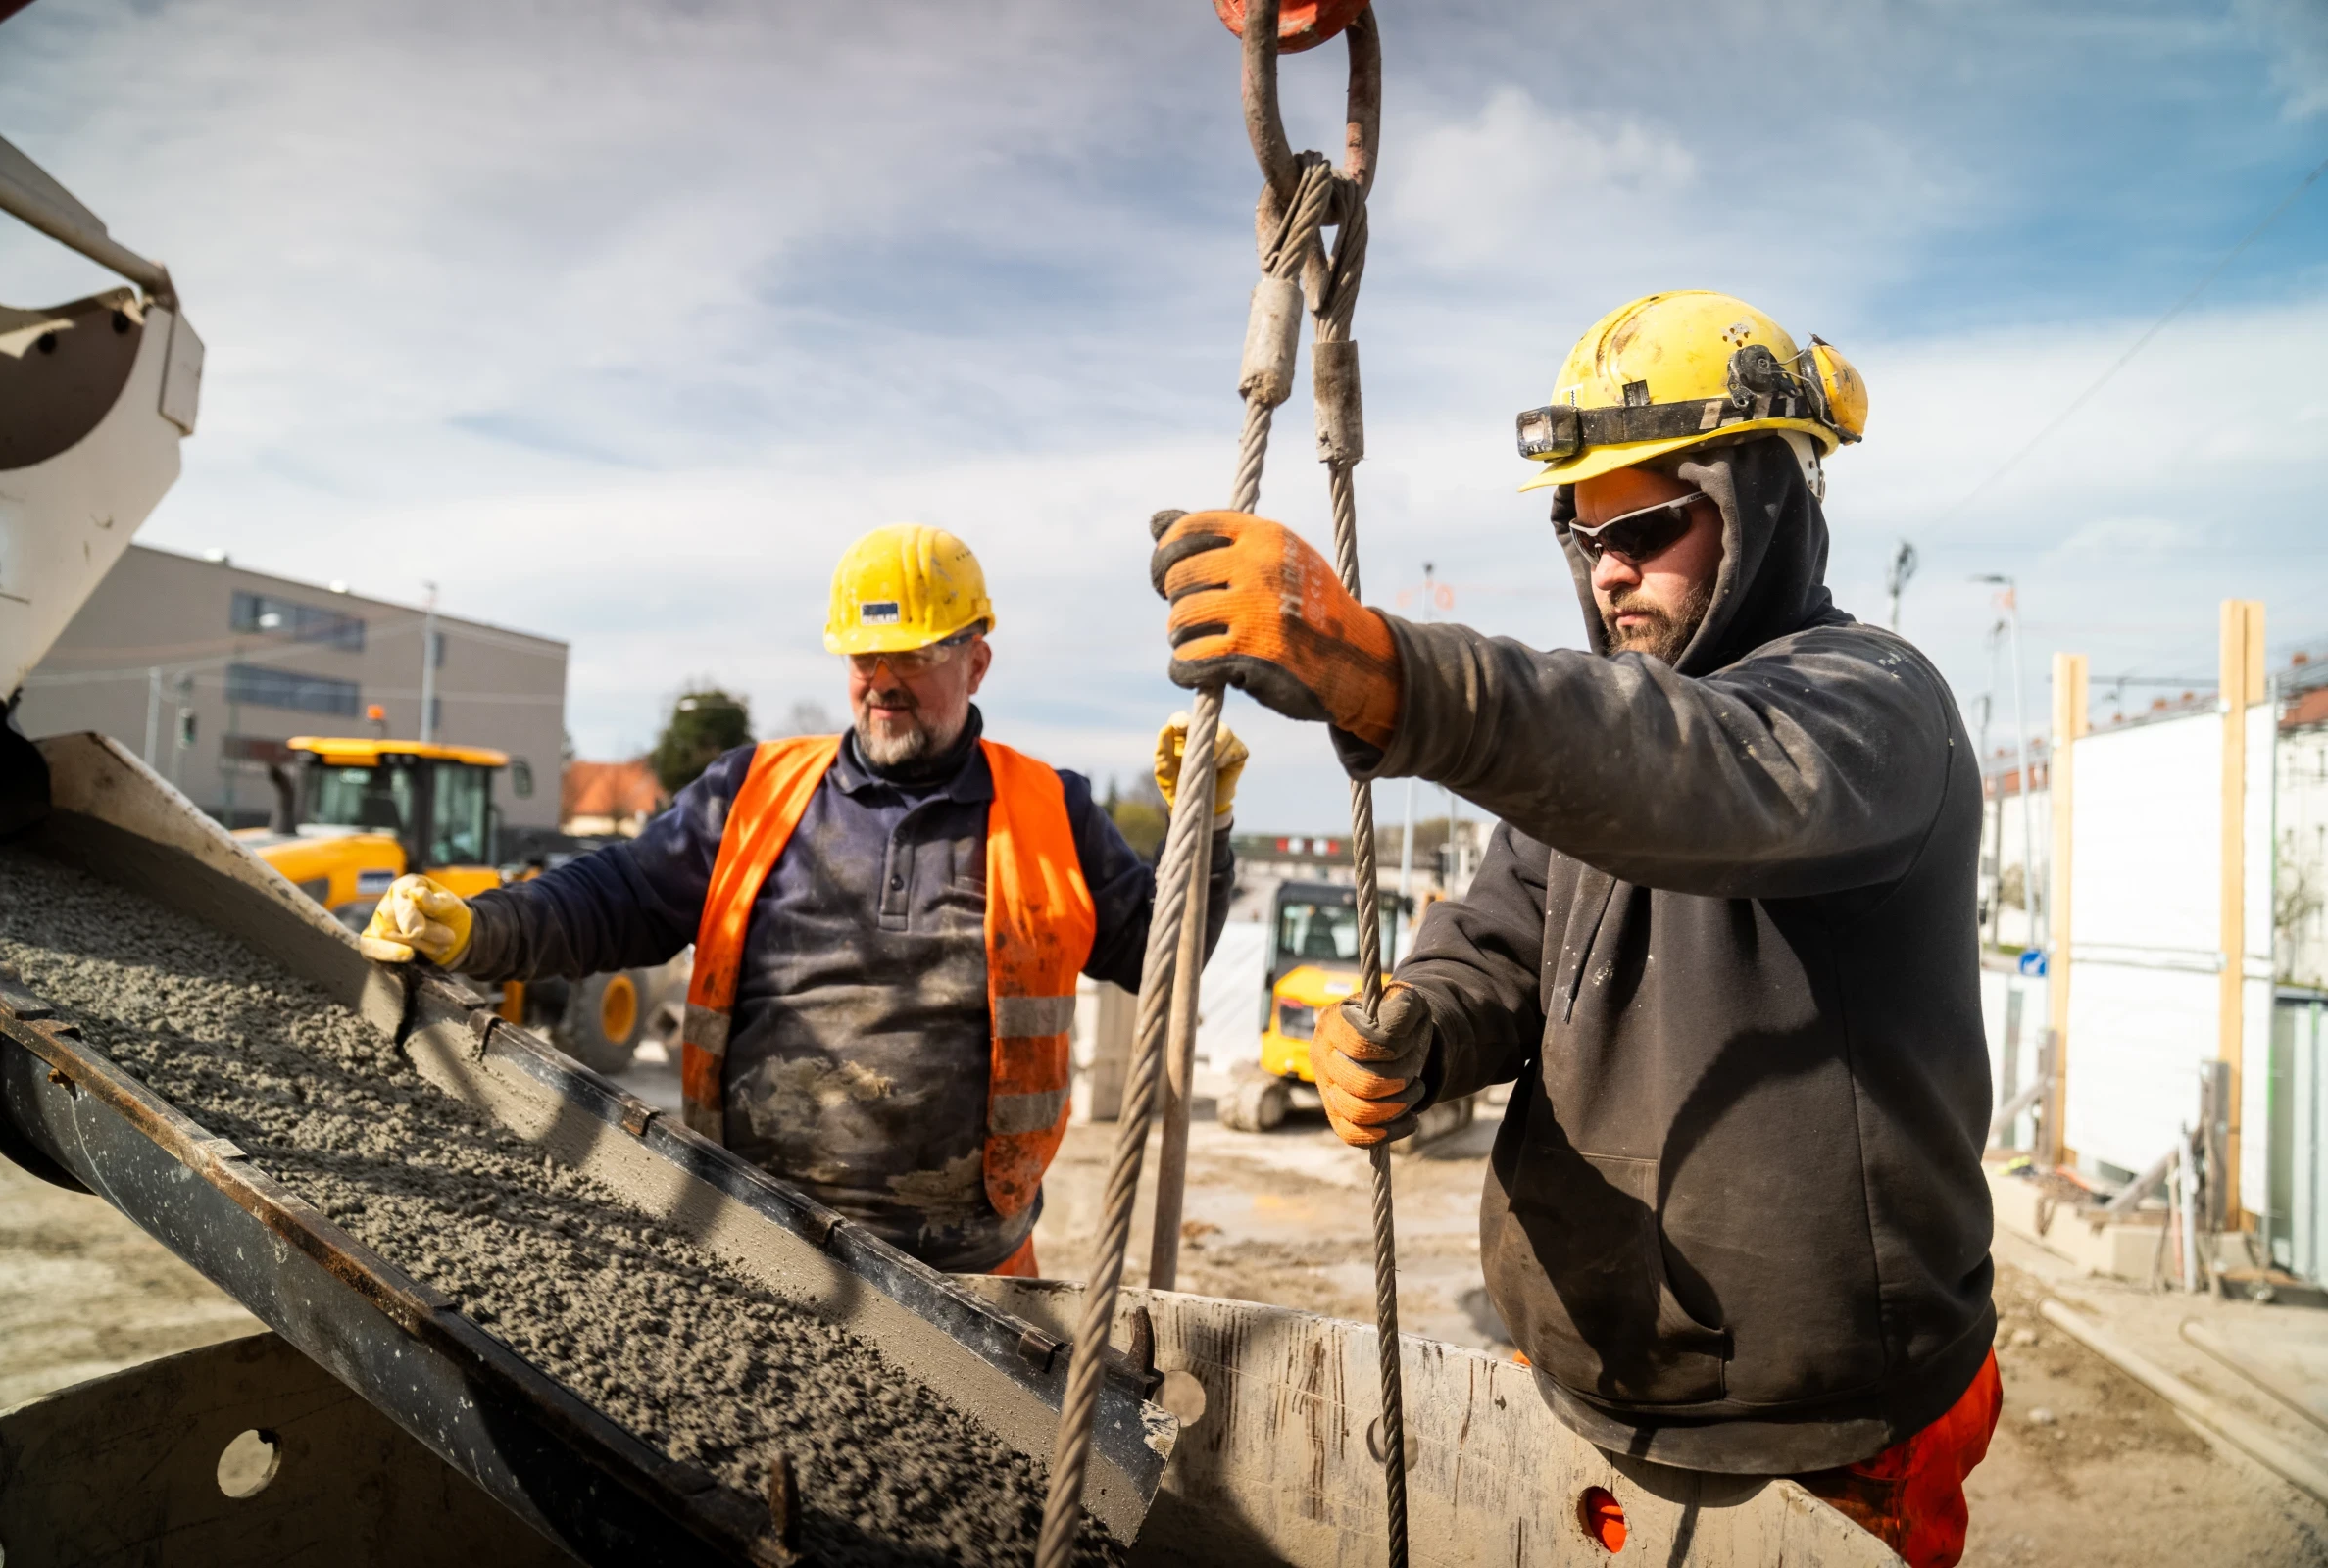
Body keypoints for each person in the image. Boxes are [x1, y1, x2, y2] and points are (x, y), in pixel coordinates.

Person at [1147, 292, 1998, 1568]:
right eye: (1586, 532)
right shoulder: (1597, 744)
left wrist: (1391, 674)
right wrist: (1418, 1030)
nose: (1609, 569)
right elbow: (1505, 931)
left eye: (1652, 525)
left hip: (1822, 1436)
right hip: (1595, 1387)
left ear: (1763, 503)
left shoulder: (1870, 711)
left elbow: (1701, 779)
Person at [364, 523, 1244, 1278]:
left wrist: (1204, 828)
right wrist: (484, 927)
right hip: (749, 1239)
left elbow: (1160, 954)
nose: (883, 679)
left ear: (977, 660)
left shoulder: (1054, 810)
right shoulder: (752, 789)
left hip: (974, 1272)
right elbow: (618, 895)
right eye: (866, 656)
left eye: (917, 653)